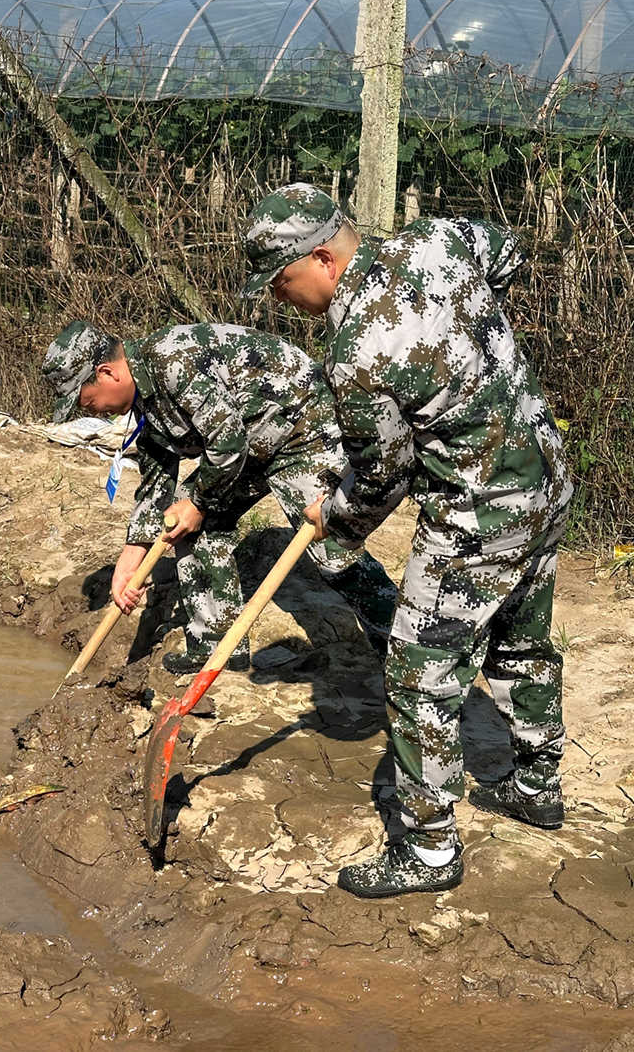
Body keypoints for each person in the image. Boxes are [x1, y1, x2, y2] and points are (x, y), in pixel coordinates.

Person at [241, 183, 573, 898]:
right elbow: (508, 252)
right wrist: (476, 339)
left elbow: (384, 475)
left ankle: (427, 852)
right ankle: (536, 785)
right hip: (546, 480)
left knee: (418, 673)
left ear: (322, 258)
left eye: (279, 281)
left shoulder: (357, 352)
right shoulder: (439, 241)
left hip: (478, 515)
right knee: (523, 637)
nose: (277, 300)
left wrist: (335, 522)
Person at [42, 320, 397, 675]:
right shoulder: (144, 402)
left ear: (107, 373)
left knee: (330, 548)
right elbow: (155, 482)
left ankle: (402, 648)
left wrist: (199, 505)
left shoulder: (172, 361)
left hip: (303, 431)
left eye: (87, 402)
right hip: (250, 445)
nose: (93, 412)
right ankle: (216, 643)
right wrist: (129, 559)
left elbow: (226, 441)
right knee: (181, 522)